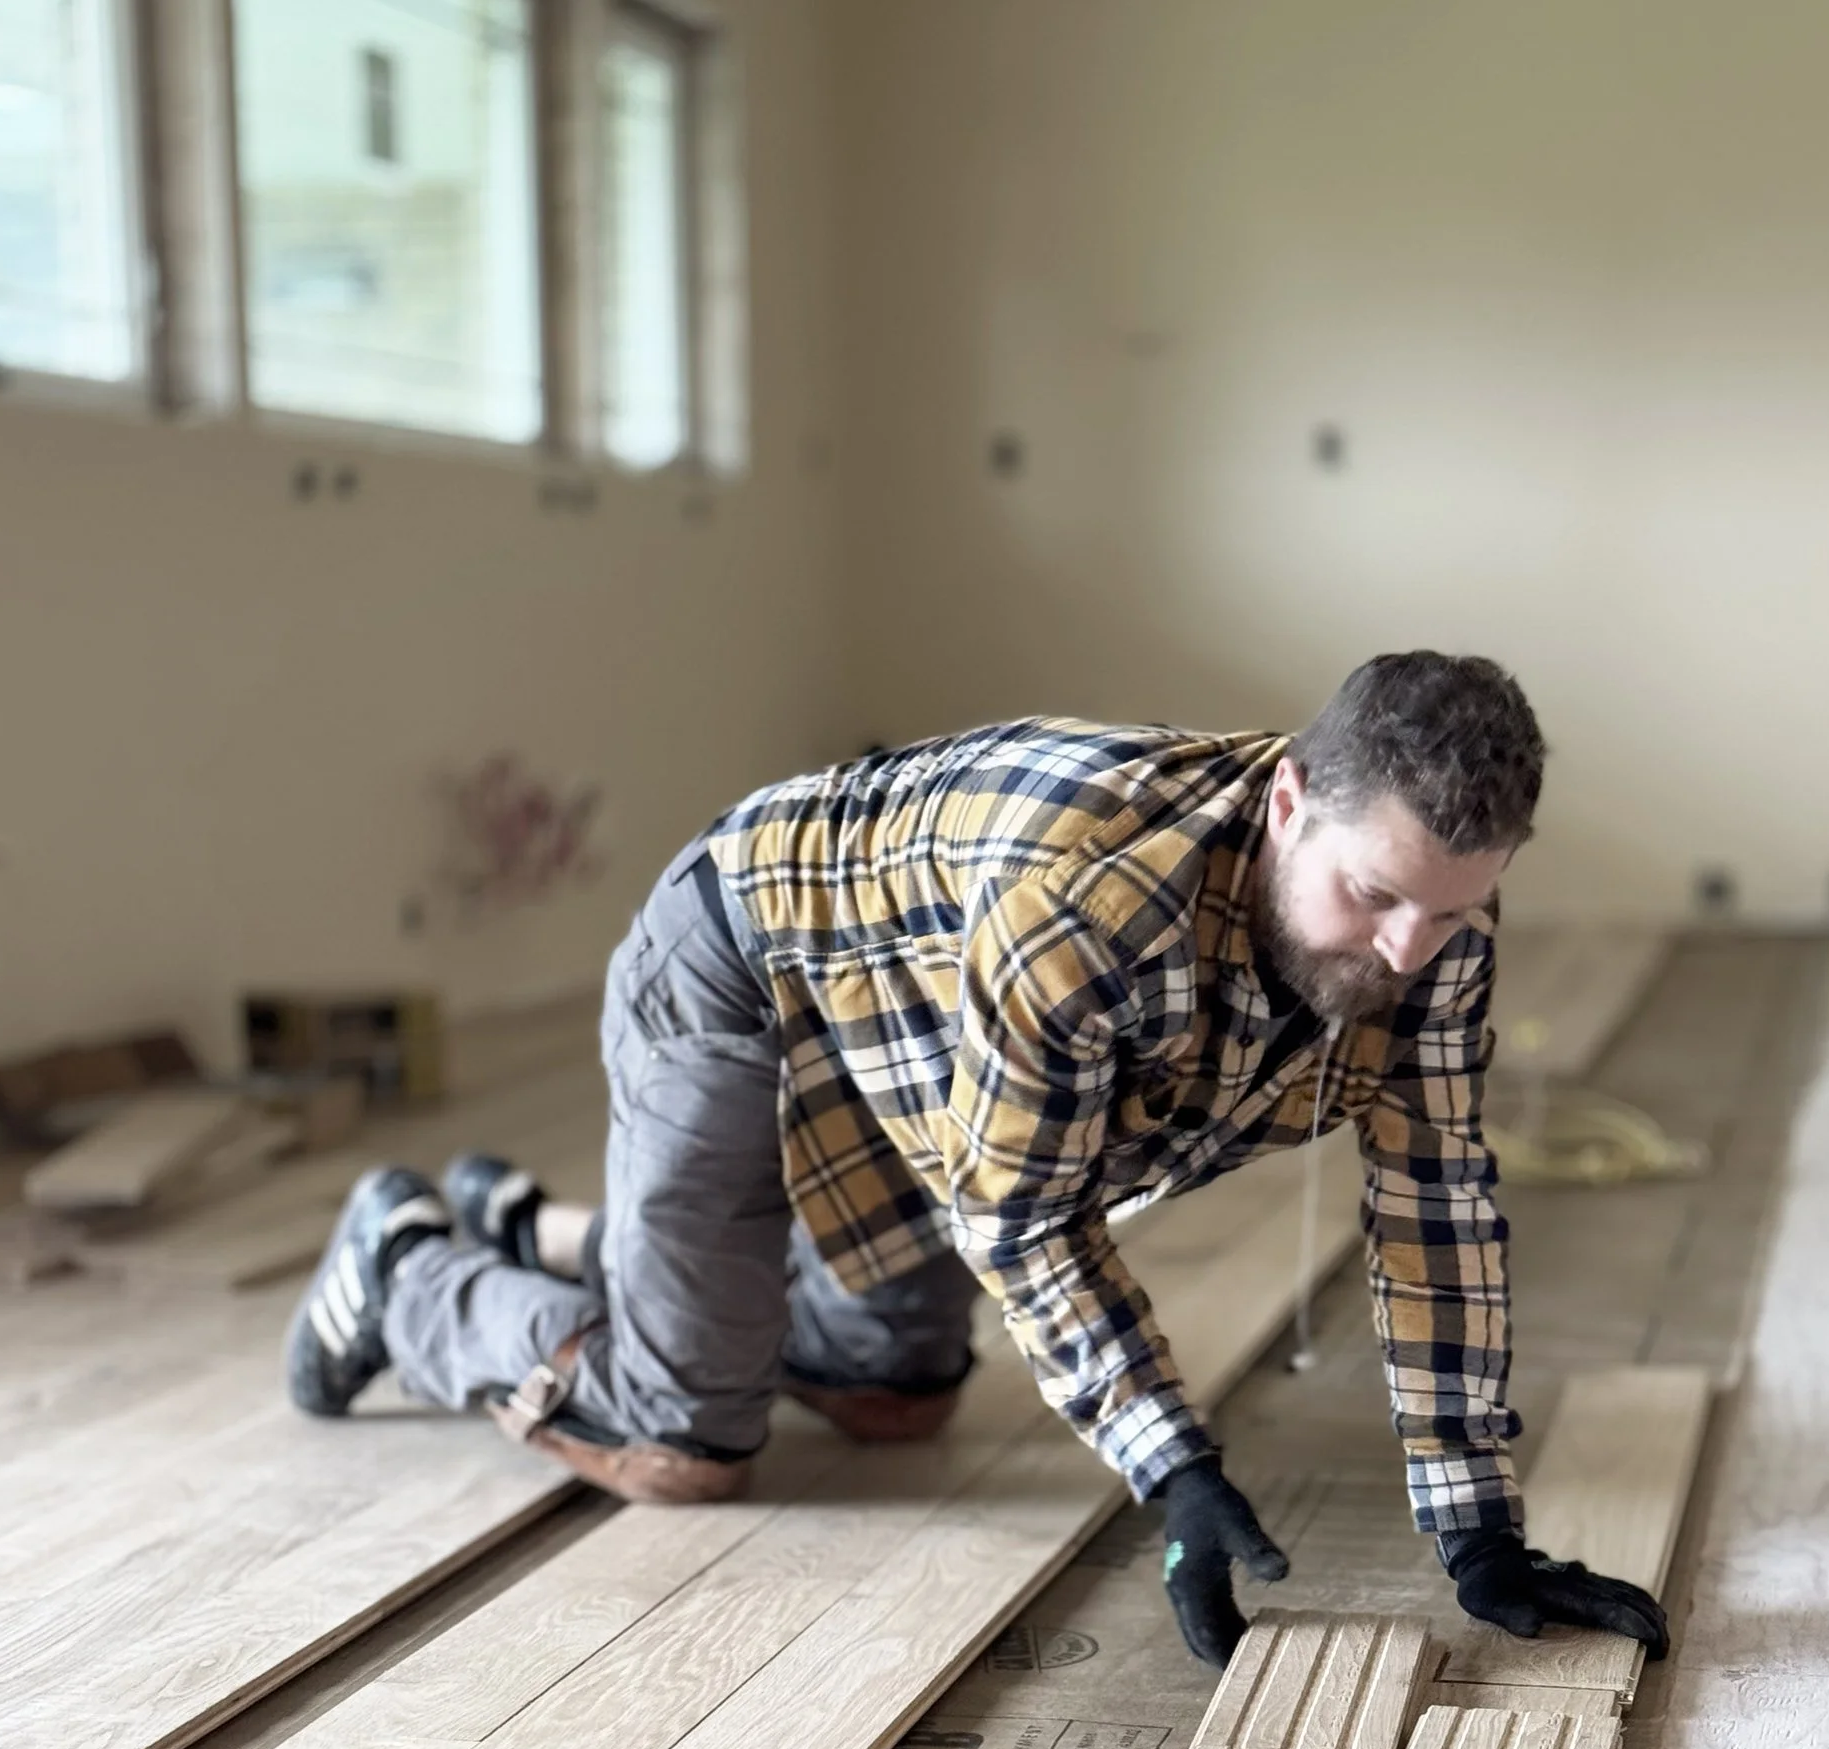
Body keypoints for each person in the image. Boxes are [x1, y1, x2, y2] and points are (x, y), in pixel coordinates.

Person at [284, 652, 1664, 1669]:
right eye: (1375, 898)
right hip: (749, 966)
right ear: (1291, 801)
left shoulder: (1431, 938)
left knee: (901, 1393)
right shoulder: (1088, 910)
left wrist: (1475, 1518)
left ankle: (561, 1233)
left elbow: (1435, 1203)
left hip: (918, 1031)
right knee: (683, 1437)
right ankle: (402, 1265)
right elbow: (1023, 1217)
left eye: (1453, 910)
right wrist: (1170, 1462)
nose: (1410, 954)